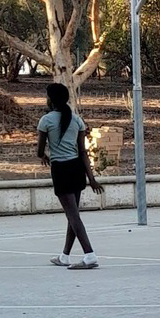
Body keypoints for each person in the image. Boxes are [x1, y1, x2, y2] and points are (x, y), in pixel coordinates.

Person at [37, 83, 103, 270]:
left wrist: (44, 156)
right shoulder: (77, 120)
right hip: (76, 169)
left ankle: (89, 255)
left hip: (61, 170)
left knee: (73, 216)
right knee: (72, 215)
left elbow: (39, 151)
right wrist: (91, 178)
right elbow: (83, 152)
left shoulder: (46, 121)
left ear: (51, 99)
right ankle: (64, 256)